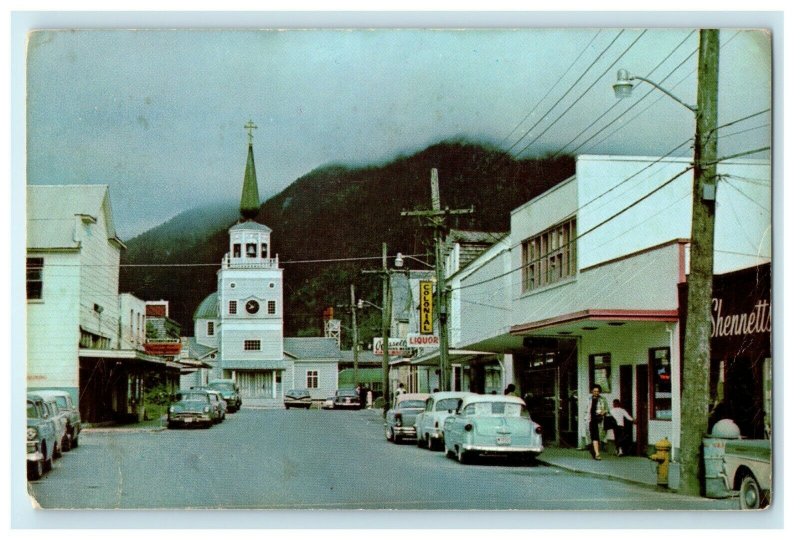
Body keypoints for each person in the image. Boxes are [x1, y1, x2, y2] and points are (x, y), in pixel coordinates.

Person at [585, 384, 609, 460]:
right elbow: (586, 410)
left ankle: (596, 453)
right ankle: (596, 453)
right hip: (590, 420)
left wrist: (603, 412)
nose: (596, 392)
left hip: (599, 420)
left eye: (598, 391)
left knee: (597, 437)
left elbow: (607, 410)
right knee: (592, 437)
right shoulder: (588, 399)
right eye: (594, 391)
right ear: (592, 391)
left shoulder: (603, 399)